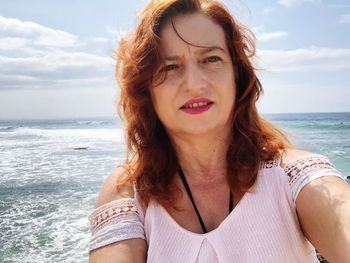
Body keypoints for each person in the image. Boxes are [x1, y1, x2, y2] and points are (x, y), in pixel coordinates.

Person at [88, 0, 350, 262]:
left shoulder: (292, 175)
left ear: (237, 76)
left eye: (211, 59)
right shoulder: (129, 191)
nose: (194, 84)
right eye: (170, 66)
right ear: (146, 89)